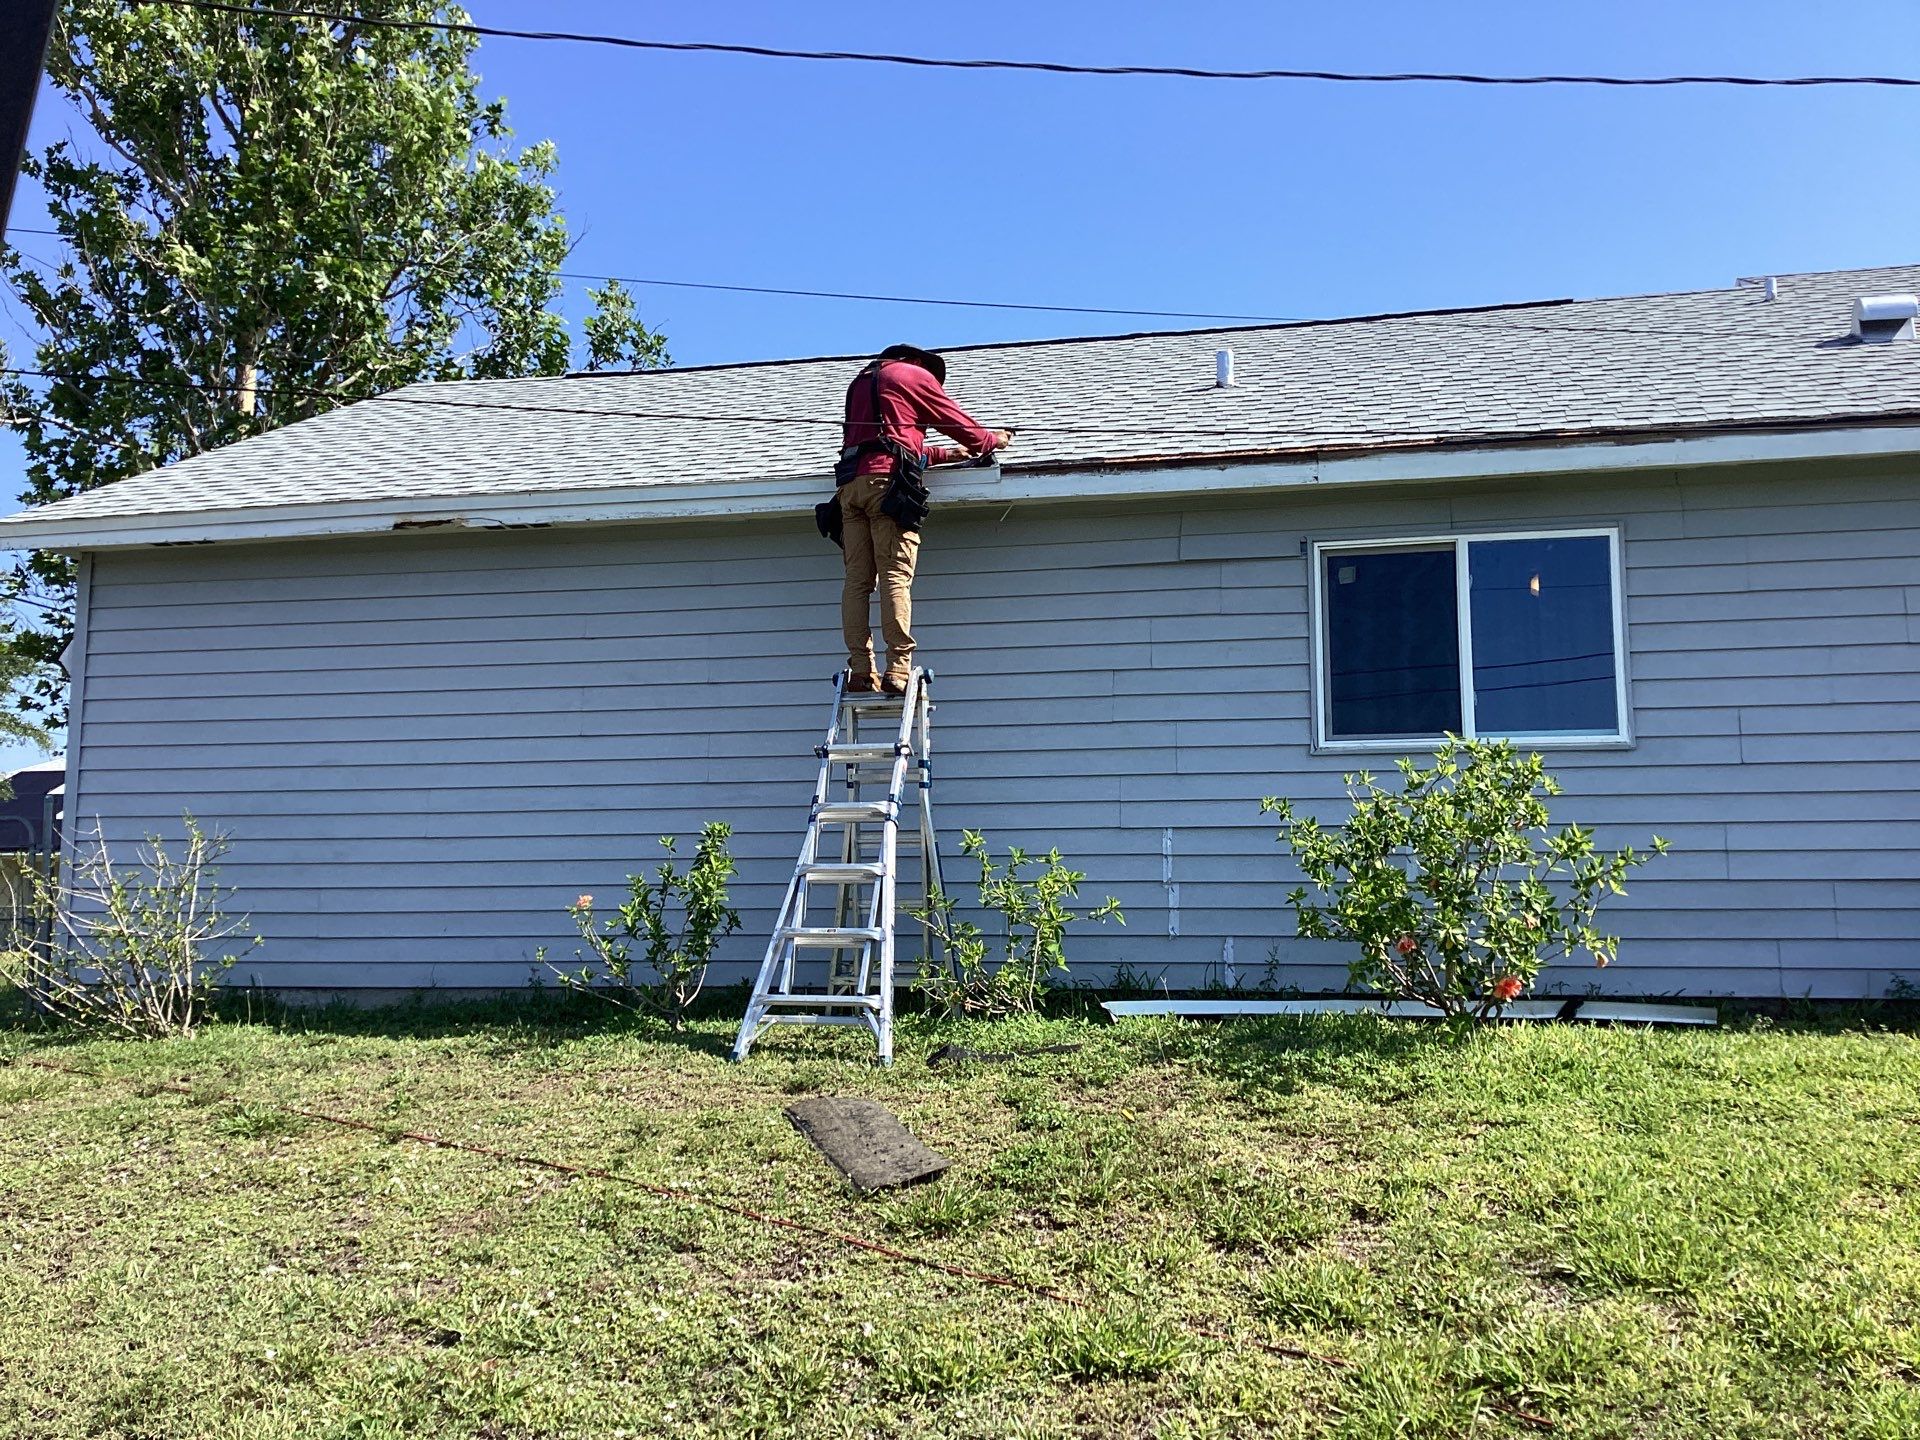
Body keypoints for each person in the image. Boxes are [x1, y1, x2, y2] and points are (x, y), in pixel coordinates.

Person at [829, 344, 1013, 694]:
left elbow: (886, 441)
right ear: (917, 362)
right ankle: (898, 669)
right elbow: (956, 422)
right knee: (895, 577)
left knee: (857, 582)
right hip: (887, 487)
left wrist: (947, 455)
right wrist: (992, 440)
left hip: (850, 488)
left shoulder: (862, 381)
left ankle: (861, 670)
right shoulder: (912, 374)